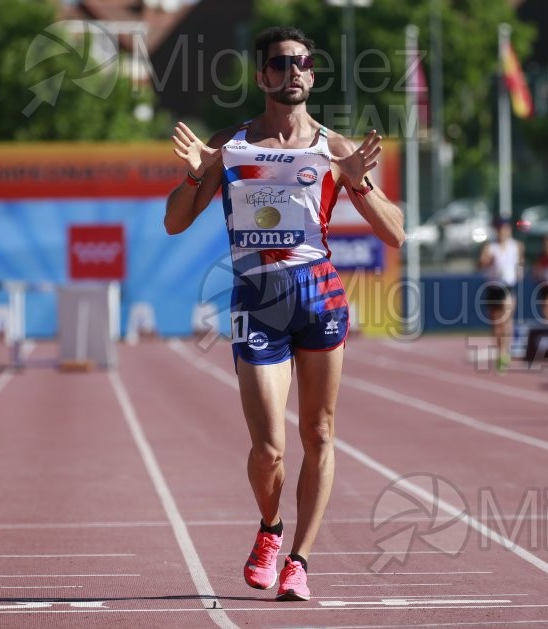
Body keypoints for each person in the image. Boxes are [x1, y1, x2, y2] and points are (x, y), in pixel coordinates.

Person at [164, 26, 405, 601]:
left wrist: (360, 185)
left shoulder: (337, 147)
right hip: (257, 299)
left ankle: (299, 559)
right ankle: (270, 529)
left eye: (302, 63)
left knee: (319, 432)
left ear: (312, 75)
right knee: (268, 447)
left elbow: (395, 233)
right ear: (262, 76)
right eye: (280, 63)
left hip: (318, 294)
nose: (292, 71)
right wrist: (199, 170)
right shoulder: (232, 145)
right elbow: (174, 222)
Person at [478, 217, 523, 372]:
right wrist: (487, 262)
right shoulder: (490, 247)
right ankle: (500, 351)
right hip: (493, 287)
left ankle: (505, 352)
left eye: (505, 228)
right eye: (499, 228)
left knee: (507, 321)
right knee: (496, 325)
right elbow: (480, 264)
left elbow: (520, 262)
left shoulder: (516, 246)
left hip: (508, 287)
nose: (502, 232)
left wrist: (519, 271)